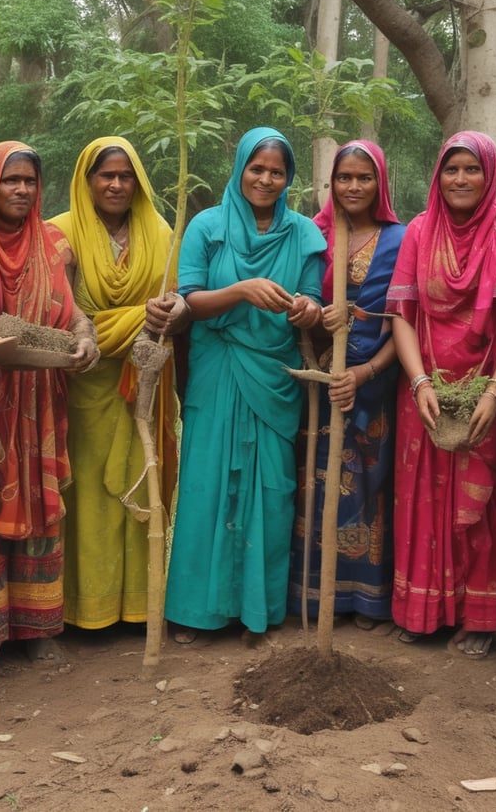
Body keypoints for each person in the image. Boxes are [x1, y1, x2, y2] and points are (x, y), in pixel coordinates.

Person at [163, 127, 325, 644]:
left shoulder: (304, 235)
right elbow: (188, 301)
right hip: (218, 367)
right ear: (240, 168)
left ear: (289, 177)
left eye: (277, 171)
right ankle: (195, 612)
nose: (266, 179)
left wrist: (308, 308)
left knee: (271, 492)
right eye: (257, 168)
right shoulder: (206, 226)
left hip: (275, 376)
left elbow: (315, 305)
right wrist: (238, 290)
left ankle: (258, 608)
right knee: (207, 487)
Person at [385, 131, 496, 658]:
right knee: (423, 497)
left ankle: (479, 617)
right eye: (451, 169)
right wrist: (420, 381)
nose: (460, 179)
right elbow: (402, 314)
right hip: (424, 391)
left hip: (486, 391)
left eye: (472, 169)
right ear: (438, 175)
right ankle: (426, 610)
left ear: (490, 174)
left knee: (482, 504)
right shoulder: (419, 231)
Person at [0, 142, 99, 661]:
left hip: (40, 398)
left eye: (29, 181)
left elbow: (73, 313)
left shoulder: (52, 244)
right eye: (10, 180)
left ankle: (38, 626)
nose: (21, 190)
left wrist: (85, 337)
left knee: (41, 506)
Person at [49, 137, 178, 629]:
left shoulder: (161, 232)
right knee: (85, 494)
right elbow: (59, 306)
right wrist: (128, 320)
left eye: (126, 175)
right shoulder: (60, 233)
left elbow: (175, 303)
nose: (117, 184)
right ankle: (85, 608)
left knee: (138, 483)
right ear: (87, 180)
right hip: (85, 383)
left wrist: (169, 312)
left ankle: (138, 607)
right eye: (106, 175)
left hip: (140, 386)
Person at [287, 140, 406, 627]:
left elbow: (407, 319)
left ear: (380, 184)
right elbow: (296, 304)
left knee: (368, 488)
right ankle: (312, 597)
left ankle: (366, 598)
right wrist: (314, 320)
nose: (353, 187)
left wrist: (365, 372)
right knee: (313, 485)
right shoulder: (310, 235)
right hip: (315, 381)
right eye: (343, 178)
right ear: (329, 184)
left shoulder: (401, 240)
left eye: (364, 178)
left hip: (373, 379)